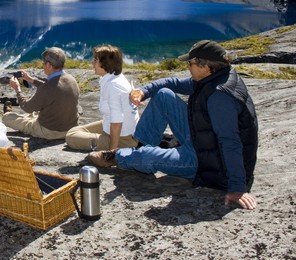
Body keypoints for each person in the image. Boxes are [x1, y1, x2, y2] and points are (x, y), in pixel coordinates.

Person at [88, 40, 259, 210]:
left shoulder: (219, 97)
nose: (188, 67)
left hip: (208, 162)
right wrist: (144, 91)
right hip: (203, 139)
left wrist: (237, 188)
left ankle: (118, 157)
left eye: (190, 63)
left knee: (149, 156)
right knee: (163, 95)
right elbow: (172, 83)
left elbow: (230, 142)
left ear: (205, 67)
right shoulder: (215, 77)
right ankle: (139, 146)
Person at [65, 45, 140, 151]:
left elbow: (117, 121)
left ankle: (115, 146)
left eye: (95, 60)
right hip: (112, 127)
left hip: (123, 139)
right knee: (74, 131)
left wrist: (111, 152)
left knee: (71, 137)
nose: (92, 63)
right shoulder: (115, 78)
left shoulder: (113, 86)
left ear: (105, 63)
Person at [2, 47, 80, 140]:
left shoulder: (46, 88)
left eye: (43, 63)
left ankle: (9, 113)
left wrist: (17, 89)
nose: (42, 65)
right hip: (70, 128)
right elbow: (52, 87)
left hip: (49, 131)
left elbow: (27, 107)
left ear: (48, 65)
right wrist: (30, 79)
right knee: (37, 112)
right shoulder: (71, 79)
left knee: (7, 118)